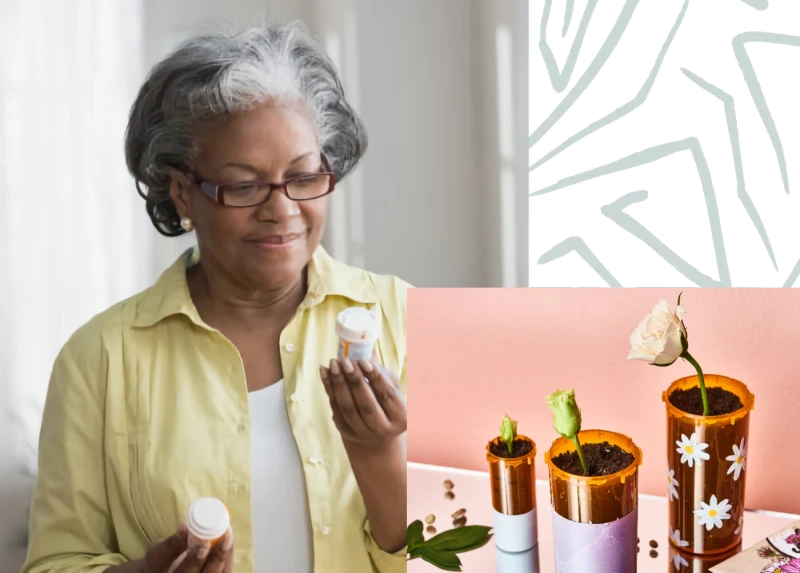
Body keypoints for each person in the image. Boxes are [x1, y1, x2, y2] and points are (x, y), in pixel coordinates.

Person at [23, 22, 408, 573]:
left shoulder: (406, 319)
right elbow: (54, 563)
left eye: (302, 177)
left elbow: (478, 556)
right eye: (245, 185)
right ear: (182, 191)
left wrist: (378, 458)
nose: (282, 210)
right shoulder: (99, 361)